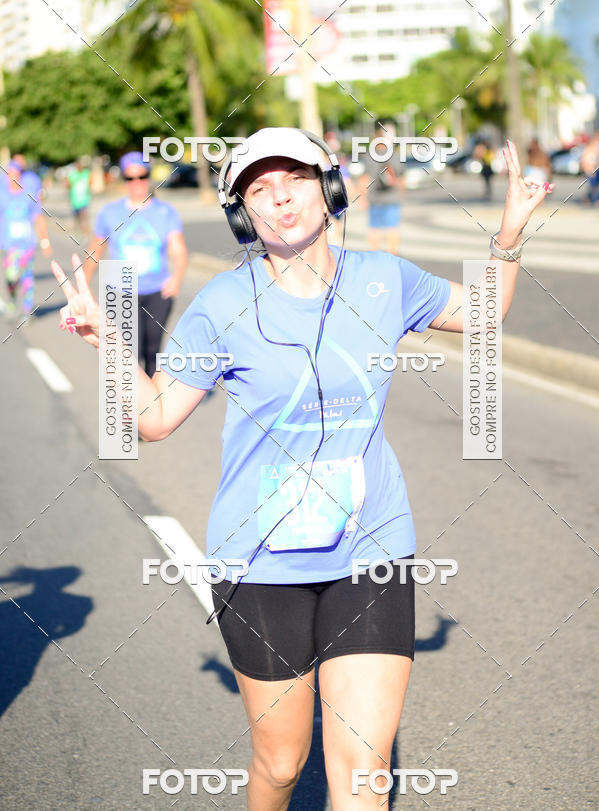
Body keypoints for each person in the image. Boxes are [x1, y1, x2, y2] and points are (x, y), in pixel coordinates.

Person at [51, 130, 553, 810]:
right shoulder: (223, 304)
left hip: (371, 547)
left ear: (329, 188)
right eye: (259, 188)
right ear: (243, 214)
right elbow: (156, 418)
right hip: (259, 562)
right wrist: (108, 341)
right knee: (283, 762)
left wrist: (510, 233)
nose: (280, 196)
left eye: (295, 177)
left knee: (363, 771)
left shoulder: (384, 279)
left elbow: (484, 312)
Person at [82, 151, 188, 377]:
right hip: (122, 292)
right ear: (124, 180)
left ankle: (152, 398)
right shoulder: (110, 213)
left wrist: (177, 278)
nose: (137, 182)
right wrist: (83, 287)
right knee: (130, 352)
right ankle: (132, 398)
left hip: (158, 292)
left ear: (149, 177)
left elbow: (178, 249)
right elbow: (95, 251)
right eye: (130, 178)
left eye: (142, 176)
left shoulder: (165, 212)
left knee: (153, 351)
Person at [0, 159, 52, 323]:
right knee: (11, 276)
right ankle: (13, 301)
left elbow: (38, 217)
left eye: (16, 174)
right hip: (9, 245)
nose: (13, 177)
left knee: (27, 277)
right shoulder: (3, 196)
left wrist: (45, 241)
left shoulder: (29, 195)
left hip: (27, 244)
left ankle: (27, 311)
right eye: (10, 174)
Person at [358, 123, 405, 254]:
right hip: (392, 197)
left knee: (374, 228)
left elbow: (364, 179)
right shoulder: (395, 156)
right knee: (392, 228)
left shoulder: (369, 156)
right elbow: (401, 178)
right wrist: (401, 194)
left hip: (374, 198)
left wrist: (362, 197)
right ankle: (393, 255)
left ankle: (375, 255)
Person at [65, 157, 92, 234]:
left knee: (84, 213)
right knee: (76, 214)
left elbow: (90, 182)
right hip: (75, 199)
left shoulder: (86, 173)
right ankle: (77, 227)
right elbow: (67, 185)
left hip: (84, 198)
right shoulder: (73, 174)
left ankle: (85, 228)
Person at [581, 133, 599, 206]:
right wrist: (589, 171)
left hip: (596, 171)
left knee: (594, 186)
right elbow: (584, 162)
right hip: (590, 172)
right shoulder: (588, 150)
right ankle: (593, 200)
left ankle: (589, 199)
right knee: (593, 187)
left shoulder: (596, 150)